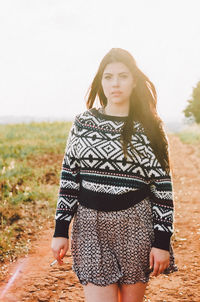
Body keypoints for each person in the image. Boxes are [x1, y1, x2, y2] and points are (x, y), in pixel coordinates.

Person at [51, 48, 178, 302]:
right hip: (89, 226)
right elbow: (69, 181)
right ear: (101, 81)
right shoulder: (83, 123)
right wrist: (60, 229)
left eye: (122, 76)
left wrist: (162, 242)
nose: (115, 83)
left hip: (136, 225)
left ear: (133, 81)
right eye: (108, 77)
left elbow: (162, 190)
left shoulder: (150, 128)